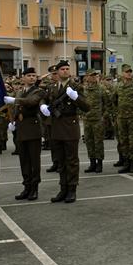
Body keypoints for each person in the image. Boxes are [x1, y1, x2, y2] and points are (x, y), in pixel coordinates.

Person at [45, 60, 89, 203]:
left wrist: (76, 98)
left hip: (70, 126)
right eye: (62, 69)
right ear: (57, 72)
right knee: (60, 160)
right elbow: (44, 101)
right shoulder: (52, 88)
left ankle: (72, 189)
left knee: (71, 160)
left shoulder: (76, 86)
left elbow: (87, 106)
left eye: (67, 68)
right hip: (56, 127)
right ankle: (62, 189)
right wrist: (43, 108)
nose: (65, 71)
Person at [4, 67, 45, 201]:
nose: (32, 78)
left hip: (33, 130)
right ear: (23, 77)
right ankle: (26, 187)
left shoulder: (38, 91)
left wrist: (14, 100)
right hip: (21, 130)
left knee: (34, 161)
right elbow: (16, 109)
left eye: (34, 75)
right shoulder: (21, 91)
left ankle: (34, 188)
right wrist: (13, 121)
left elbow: (32, 102)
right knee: (24, 161)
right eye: (29, 75)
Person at [114, 64, 133, 173]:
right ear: (122, 73)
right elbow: (114, 100)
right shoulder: (118, 86)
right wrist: (116, 113)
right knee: (123, 141)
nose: (129, 73)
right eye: (126, 71)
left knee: (132, 141)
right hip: (121, 118)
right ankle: (126, 163)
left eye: (130, 71)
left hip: (132, 118)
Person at [82, 69, 105, 174]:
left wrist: (104, 116)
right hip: (87, 120)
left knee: (98, 142)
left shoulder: (101, 89)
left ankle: (99, 164)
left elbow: (107, 103)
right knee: (89, 142)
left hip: (97, 120)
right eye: (91, 75)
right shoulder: (84, 89)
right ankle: (92, 163)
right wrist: (81, 114)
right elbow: (81, 103)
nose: (93, 77)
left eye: (95, 75)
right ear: (86, 77)